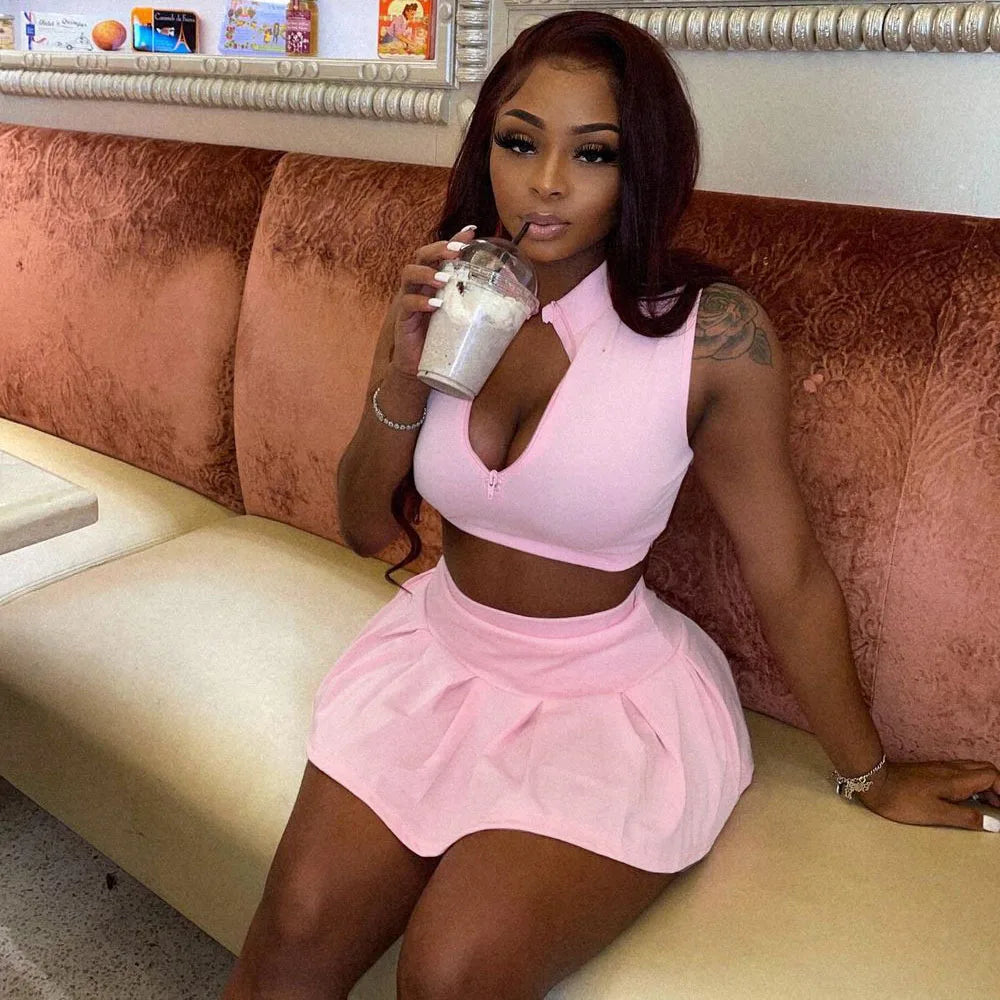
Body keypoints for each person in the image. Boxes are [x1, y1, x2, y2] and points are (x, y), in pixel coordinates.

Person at [223, 11, 1000, 1000]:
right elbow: (366, 526)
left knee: (452, 972)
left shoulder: (712, 338)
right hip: (436, 660)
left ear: (643, 172)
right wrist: (401, 373)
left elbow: (789, 570)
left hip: (603, 704)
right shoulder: (451, 291)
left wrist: (869, 770)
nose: (546, 182)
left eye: (593, 153)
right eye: (519, 142)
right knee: (292, 932)